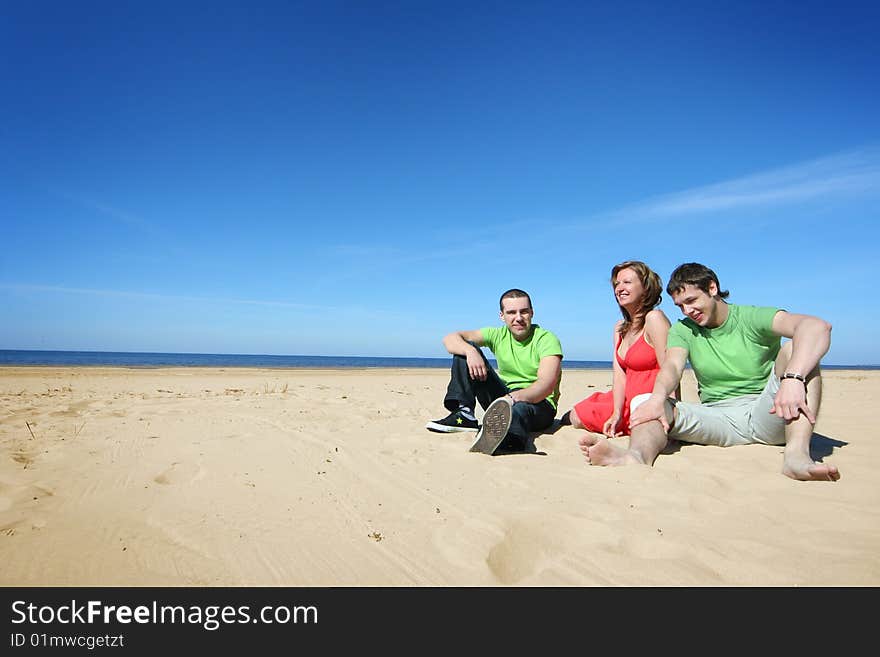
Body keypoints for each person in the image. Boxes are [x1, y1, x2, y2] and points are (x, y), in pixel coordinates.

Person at [579, 262, 839, 482]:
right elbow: (671, 366)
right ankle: (635, 457)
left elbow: (817, 327)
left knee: (798, 350)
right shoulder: (684, 330)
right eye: (680, 306)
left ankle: (796, 456)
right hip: (717, 418)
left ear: (712, 288)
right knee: (646, 401)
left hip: (768, 412)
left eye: (691, 301)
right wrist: (658, 399)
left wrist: (793, 379)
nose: (687, 311)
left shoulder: (751, 317)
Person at [426, 288, 563, 455]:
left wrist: (513, 399)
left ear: (532, 313)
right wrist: (471, 352)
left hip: (540, 405)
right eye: (511, 312)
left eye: (524, 312)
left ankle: (511, 441)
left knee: (517, 410)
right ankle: (464, 414)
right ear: (502, 316)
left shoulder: (547, 339)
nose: (518, 318)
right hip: (505, 398)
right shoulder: (497, 335)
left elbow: (546, 385)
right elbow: (450, 339)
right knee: (464, 351)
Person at [561, 261, 675, 438]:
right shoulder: (620, 328)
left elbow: (671, 370)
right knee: (575, 416)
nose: (619, 288)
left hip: (649, 400)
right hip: (623, 399)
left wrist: (673, 411)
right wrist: (616, 412)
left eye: (627, 282)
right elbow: (620, 375)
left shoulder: (655, 319)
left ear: (646, 287)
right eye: (617, 284)